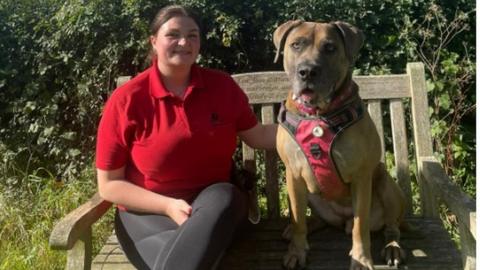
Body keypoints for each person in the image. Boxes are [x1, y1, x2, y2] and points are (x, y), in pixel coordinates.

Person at [95, 5, 277, 270]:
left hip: (217, 209)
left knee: (224, 196)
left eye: (193, 35)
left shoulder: (222, 87)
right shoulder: (127, 100)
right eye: (173, 35)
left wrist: (306, 132)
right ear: (154, 41)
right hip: (147, 215)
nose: (184, 42)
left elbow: (258, 135)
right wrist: (167, 206)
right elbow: (109, 185)